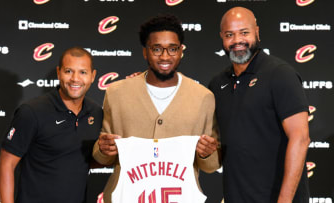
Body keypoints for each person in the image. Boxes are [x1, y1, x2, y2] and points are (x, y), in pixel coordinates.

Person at [92, 14, 220, 203]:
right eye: (157, 49)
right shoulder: (117, 93)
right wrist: (103, 149)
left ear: (181, 50)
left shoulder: (203, 97)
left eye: (172, 49)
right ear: (145, 52)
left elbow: (211, 165)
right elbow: (103, 155)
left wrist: (207, 153)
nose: (165, 56)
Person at [208, 7, 310, 203]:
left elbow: (301, 138)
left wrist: (284, 200)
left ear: (257, 32)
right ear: (222, 37)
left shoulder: (280, 74)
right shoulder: (217, 83)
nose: (237, 40)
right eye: (230, 34)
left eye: (244, 32)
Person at [0, 47, 103, 203]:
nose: (75, 79)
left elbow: (85, 160)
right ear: (59, 72)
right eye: (68, 71)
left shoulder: (96, 112)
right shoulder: (32, 112)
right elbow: (6, 164)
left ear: (93, 76)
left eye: (83, 72)